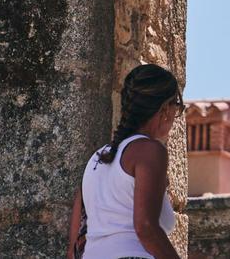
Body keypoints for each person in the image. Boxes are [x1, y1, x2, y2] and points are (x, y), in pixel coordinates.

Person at [68, 64, 183, 259]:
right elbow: (146, 228)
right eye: (177, 107)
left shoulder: (96, 160)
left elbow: (74, 248)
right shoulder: (150, 151)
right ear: (165, 109)